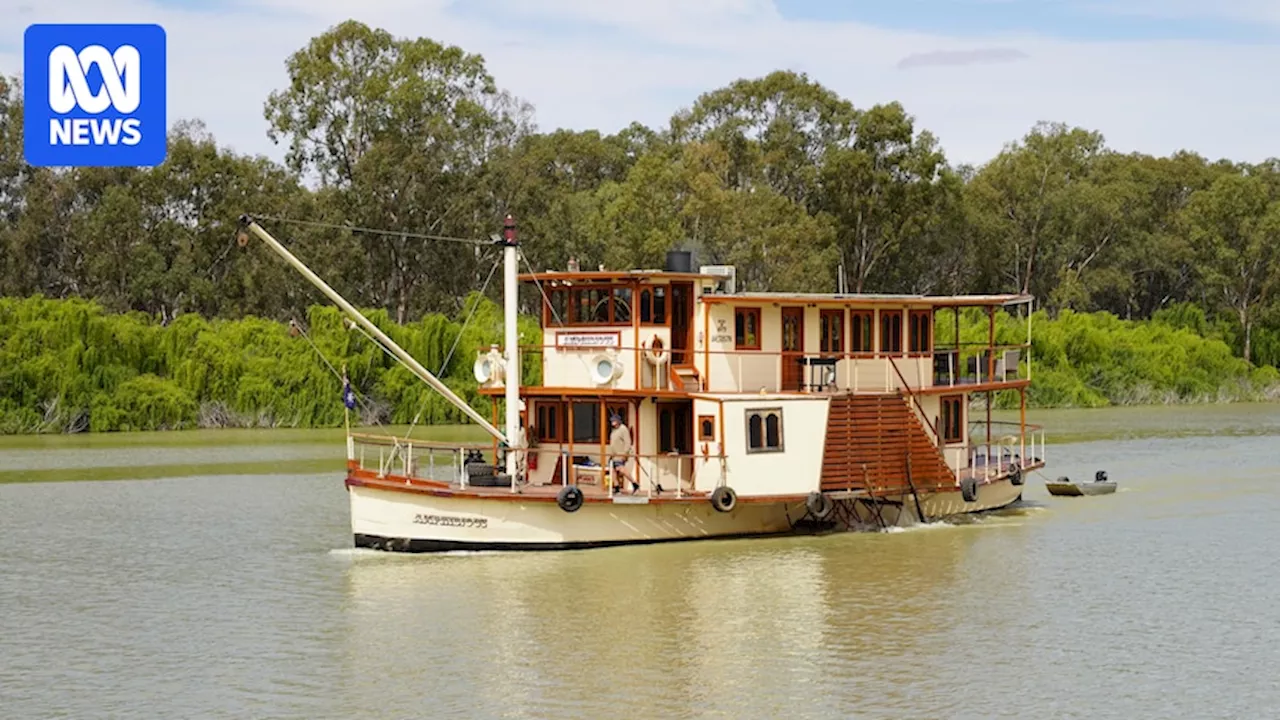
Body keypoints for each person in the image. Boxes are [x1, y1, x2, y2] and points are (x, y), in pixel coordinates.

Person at [608, 412, 637, 494]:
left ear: (618, 421)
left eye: (614, 420)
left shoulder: (623, 429)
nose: (612, 422)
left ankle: (634, 483)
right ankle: (617, 488)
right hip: (614, 455)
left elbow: (628, 442)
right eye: (612, 420)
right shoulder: (614, 431)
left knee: (621, 469)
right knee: (613, 471)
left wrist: (625, 453)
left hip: (620, 454)